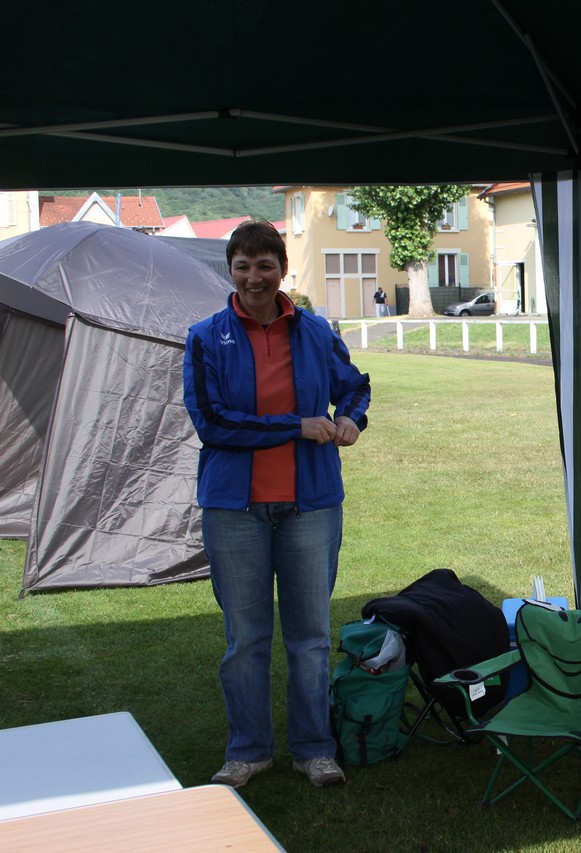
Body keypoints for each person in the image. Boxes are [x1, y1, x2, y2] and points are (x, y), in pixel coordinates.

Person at [183, 219, 371, 790]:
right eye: (243, 265)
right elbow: (211, 423)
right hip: (234, 508)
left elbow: (355, 384)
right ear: (231, 271)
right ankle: (248, 750)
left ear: (281, 270)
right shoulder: (205, 336)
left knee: (310, 637)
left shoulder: (314, 330)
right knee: (246, 639)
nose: (254, 277)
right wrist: (296, 426)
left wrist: (349, 418)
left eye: (265, 265)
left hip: (310, 505)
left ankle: (314, 749)